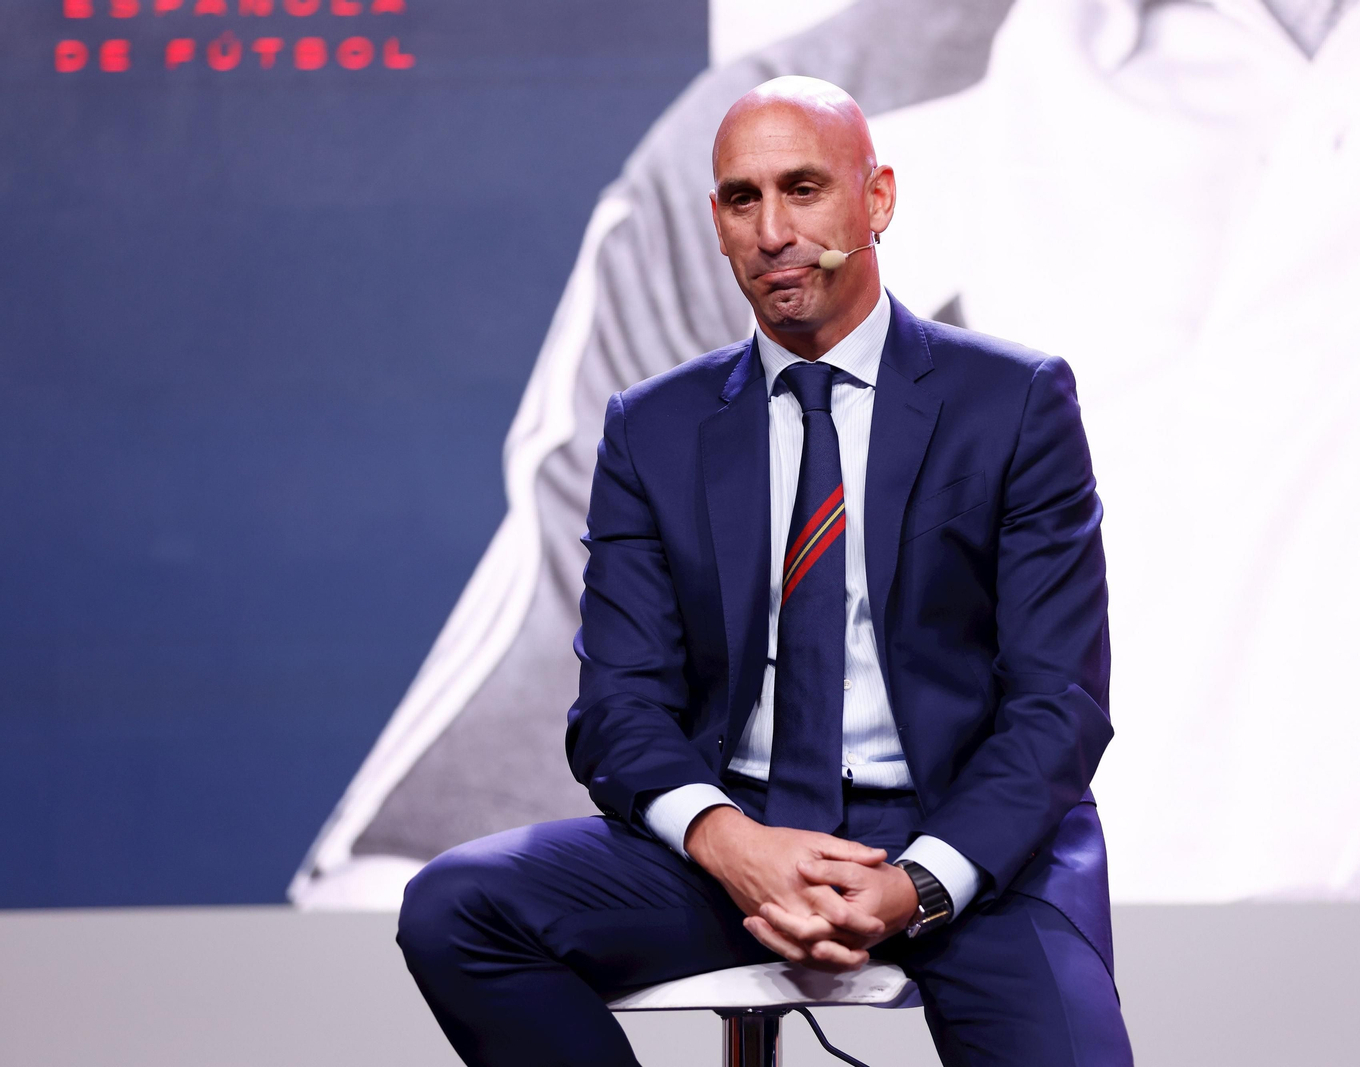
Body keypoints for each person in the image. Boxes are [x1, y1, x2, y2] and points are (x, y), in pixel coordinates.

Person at [394, 76, 1133, 1067]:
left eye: (803, 188)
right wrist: (728, 841)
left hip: (972, 839)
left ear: (876, 199)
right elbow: (618, 709)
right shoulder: (654, 428)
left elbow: (1058, 704)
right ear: (716, 221)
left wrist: (915, 880)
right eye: (743, 199)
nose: (774, 228)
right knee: (456, 908)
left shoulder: (1013, 400)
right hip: (738, 833)